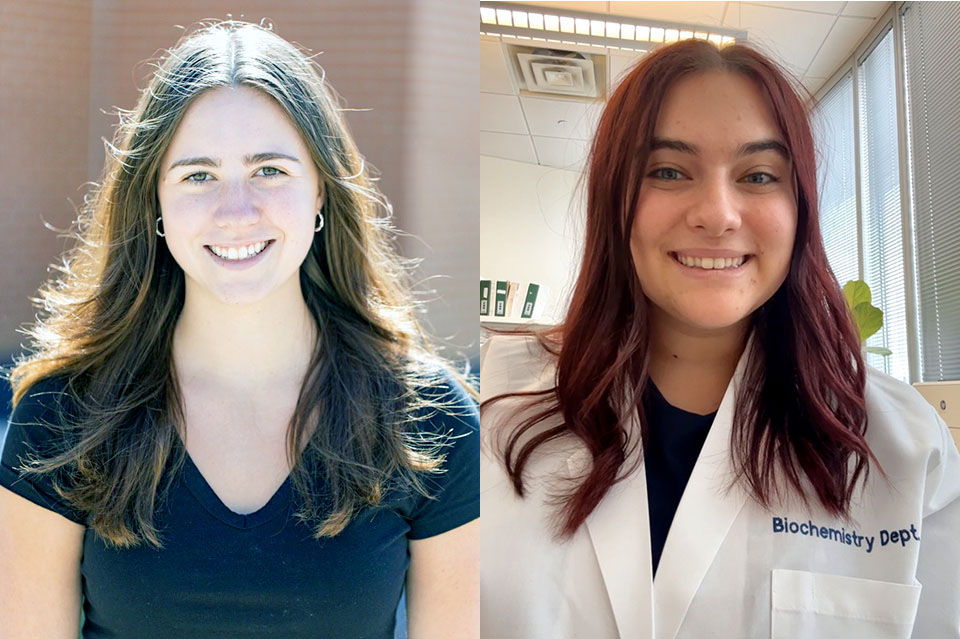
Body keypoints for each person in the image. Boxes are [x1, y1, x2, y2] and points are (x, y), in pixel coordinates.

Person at [0, 20, 478, 639]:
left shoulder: (430, 420)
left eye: (269, 170)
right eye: (198, 175)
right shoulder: (62, 415)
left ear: (322, 193)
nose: (236, 212)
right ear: (155, 207)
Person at [479, 39, 960, 638]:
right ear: (615, 200)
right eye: (669, 171)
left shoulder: (907, 448)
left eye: (759, 175)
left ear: (801, 209)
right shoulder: (485, 412)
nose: (718, 213)